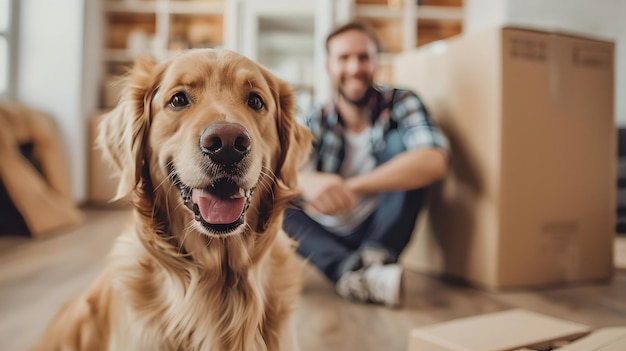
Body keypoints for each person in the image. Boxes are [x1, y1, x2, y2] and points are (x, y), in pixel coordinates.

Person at [282, 21, 450, 307]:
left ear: (376, 61)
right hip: (327, 233)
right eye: (344, 58)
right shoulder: (314, 120)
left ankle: (370, 261)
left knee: (405, 151)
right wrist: (307, 183)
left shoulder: (401, 102)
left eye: (363, 57)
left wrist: (350, 186)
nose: (354, 67)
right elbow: (276, 174)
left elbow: (434, 160)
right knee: (277, 204)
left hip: (378, 230)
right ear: (329, 65)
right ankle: (352, 270)